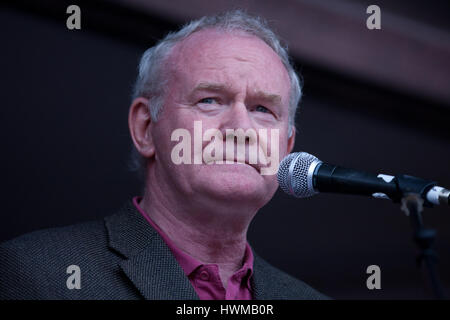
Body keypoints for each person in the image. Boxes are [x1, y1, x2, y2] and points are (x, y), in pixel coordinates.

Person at [0, 10, 328, 300]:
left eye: (262, 109)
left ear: (286, 149)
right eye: (210, 100)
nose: (240, 128)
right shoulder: (38, 275)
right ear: (146, 128)